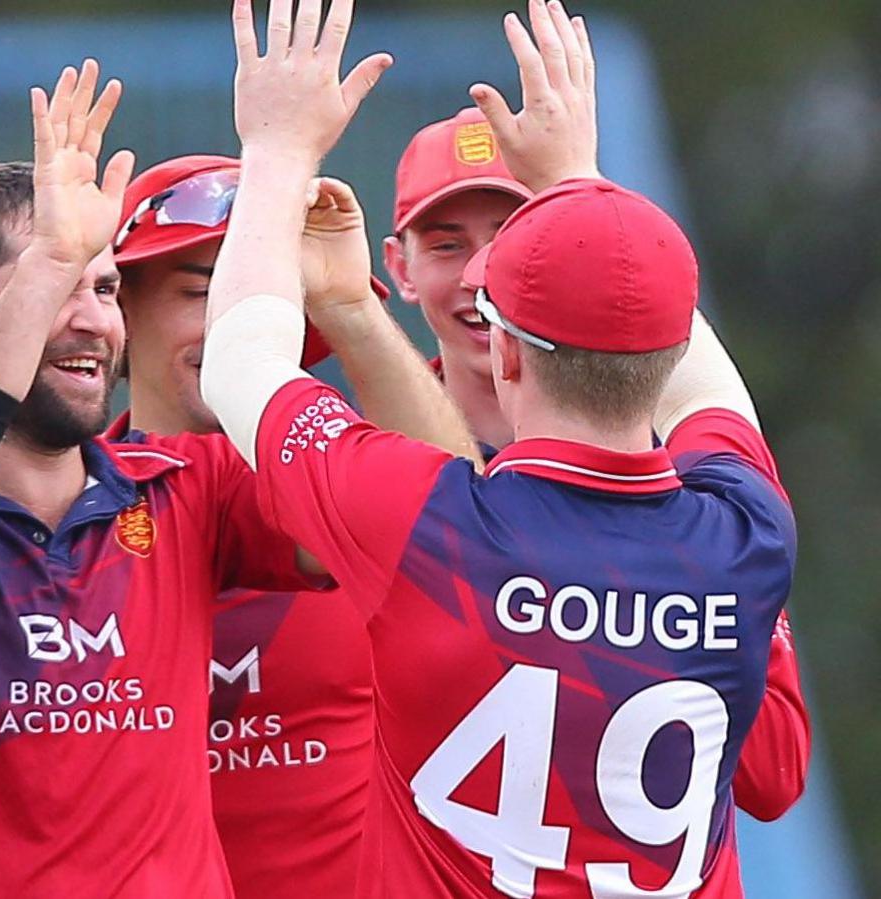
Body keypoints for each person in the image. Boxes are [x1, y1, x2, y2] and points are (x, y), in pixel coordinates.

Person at [0, 61, 475, 896]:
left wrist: (349, 305)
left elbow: (433, 517)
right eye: (51, 284)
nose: (89, 315)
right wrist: (54, 259)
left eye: (104, 286)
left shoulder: (185, 487)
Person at [201, 1, 796, 896]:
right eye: (449, 239)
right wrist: (582, 179)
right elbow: (709, 395)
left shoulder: (421, 515)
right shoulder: (746, 525)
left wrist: (278, 151)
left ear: (508, 347)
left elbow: (241, 363)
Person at [385, 109, 810, 820]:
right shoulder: (368, 470)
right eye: (446, 243)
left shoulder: (688, 501)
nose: (479, 274)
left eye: (512, 238)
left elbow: (773, 770)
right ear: (398, 267)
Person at [111, 156, 393, 896]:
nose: (235, 326)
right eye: (203, 291)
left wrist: (354, 311)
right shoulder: (53, 516)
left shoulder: (362, 490)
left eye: (263, 299)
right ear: (118, 304)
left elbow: (461, 542)